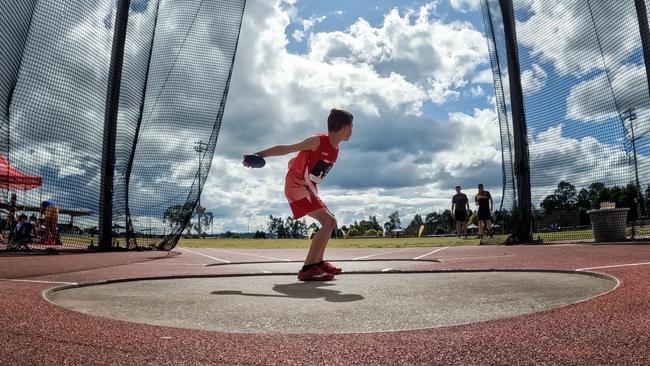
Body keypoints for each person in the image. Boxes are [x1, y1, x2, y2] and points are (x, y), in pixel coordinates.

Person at [243, 108, 353, 281]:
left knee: (331, 222)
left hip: (309, 188)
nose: (352, 131)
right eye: (352, 127)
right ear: (346, 127)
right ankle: (308, 268)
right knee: (328, 221)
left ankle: (318, 263)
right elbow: (287, 149)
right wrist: (259, 155)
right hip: (296, 186)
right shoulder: (317, 141)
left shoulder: (336, 147)